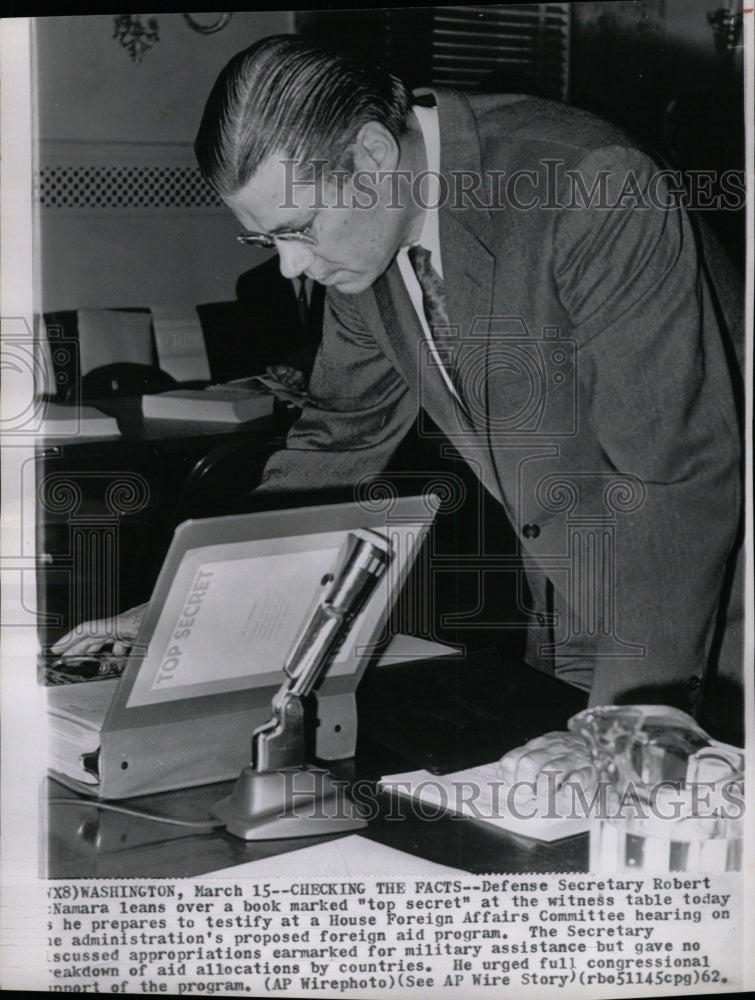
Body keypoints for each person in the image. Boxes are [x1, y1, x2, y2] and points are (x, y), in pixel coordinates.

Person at [53, 36, 743, 778]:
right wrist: (186, 615)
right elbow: (335, 441)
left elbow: (674, 473)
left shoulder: (584, 185)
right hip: (578, 593)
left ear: (374, 155)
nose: (289, 265)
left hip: (711, 603)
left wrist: (625, 719)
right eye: (263, 238)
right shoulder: (369, 244)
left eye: (296, 228)